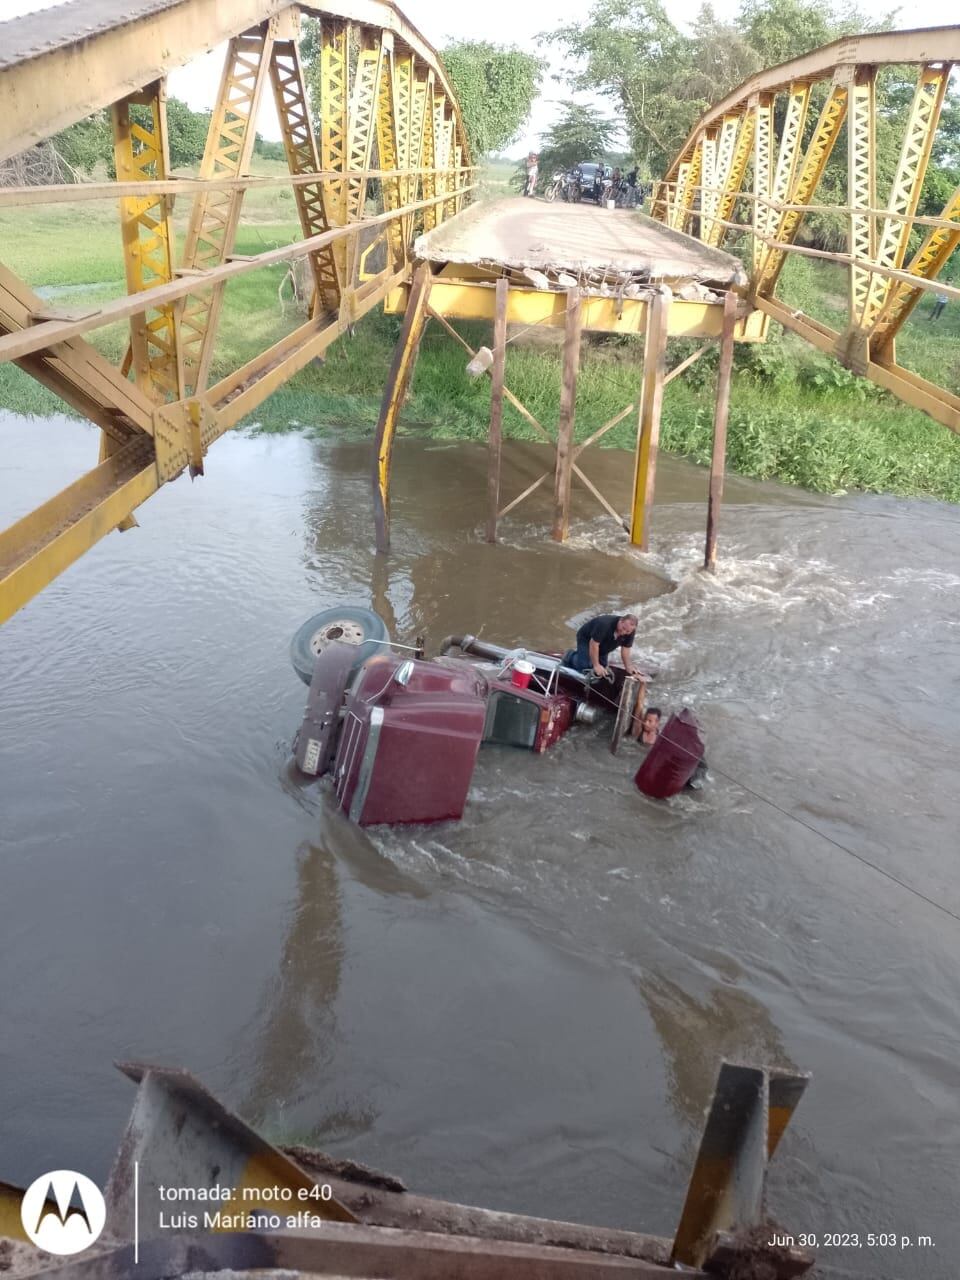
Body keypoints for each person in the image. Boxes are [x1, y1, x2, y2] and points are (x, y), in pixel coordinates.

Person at [565, 613, 638, 678]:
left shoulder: (630, 631)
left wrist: (628, 667)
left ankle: (589, 660)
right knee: (585, 667)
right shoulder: (604, 624)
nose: (623, 632)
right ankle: (570, 656)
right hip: (587, 639)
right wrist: (596, 665)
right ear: (621, 621)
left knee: (602, 668)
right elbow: (594, 644)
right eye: (623, 628)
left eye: (627, 631)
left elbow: (625, 649)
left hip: (605, 643)